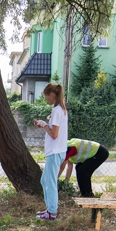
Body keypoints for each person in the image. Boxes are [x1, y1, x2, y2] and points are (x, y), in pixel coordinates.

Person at [35, 83, 69, 220]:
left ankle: (52, 212)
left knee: (50, 182)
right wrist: (46, 123)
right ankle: (49, 209)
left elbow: (54, 134)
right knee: (45, 181)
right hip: (58, 151)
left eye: (46, 96)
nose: (46, 100)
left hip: (54, 152)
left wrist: (43, 125)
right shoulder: (62, 109)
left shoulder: (56, 111)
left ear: (52, 95)